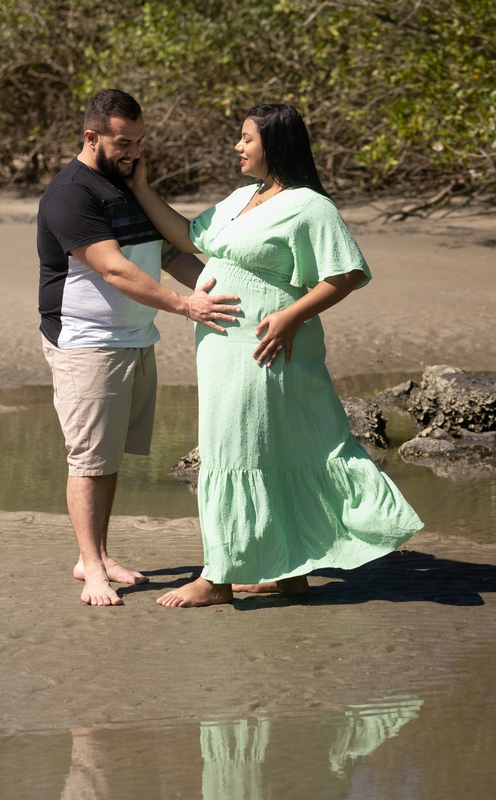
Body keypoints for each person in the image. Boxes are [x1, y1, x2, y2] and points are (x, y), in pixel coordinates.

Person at [127, 103, 423, 608]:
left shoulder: (310, 206)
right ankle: (289, 572)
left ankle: (218, 579)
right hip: (224, 350)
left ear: (276, 143)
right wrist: (140, 187)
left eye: (247, 138)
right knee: (263, 452)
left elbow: (347, 273)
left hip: (266, 349)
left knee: (235, 451)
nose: (237, 147)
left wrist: (290, 316)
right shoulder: (243, 197)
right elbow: (186, 236)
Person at [37, 89, 243, 606]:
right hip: (88, 343)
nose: (134, 152)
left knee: (107, 458)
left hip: (134, 339)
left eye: (139, 141)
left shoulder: (128, 187)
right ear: (92, 137)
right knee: (88, 458)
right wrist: (186, 307)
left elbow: (171, 254)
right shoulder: (71, 193)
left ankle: (99, 556)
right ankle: (90, 566)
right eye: (123, 143)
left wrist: (232, 294)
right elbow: (113, 268)